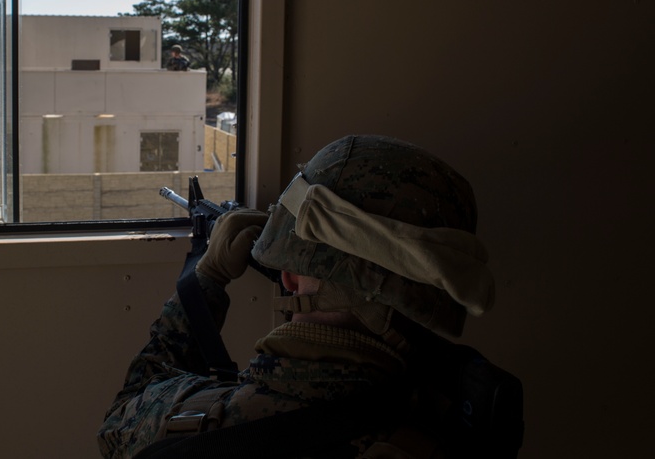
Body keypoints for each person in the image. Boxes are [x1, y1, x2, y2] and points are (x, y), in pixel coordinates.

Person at [98, 134, 505, 459]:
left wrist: (208, 276)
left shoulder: (212, 427)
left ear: (289, 278)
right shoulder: (454, 415)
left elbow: (121, 419)